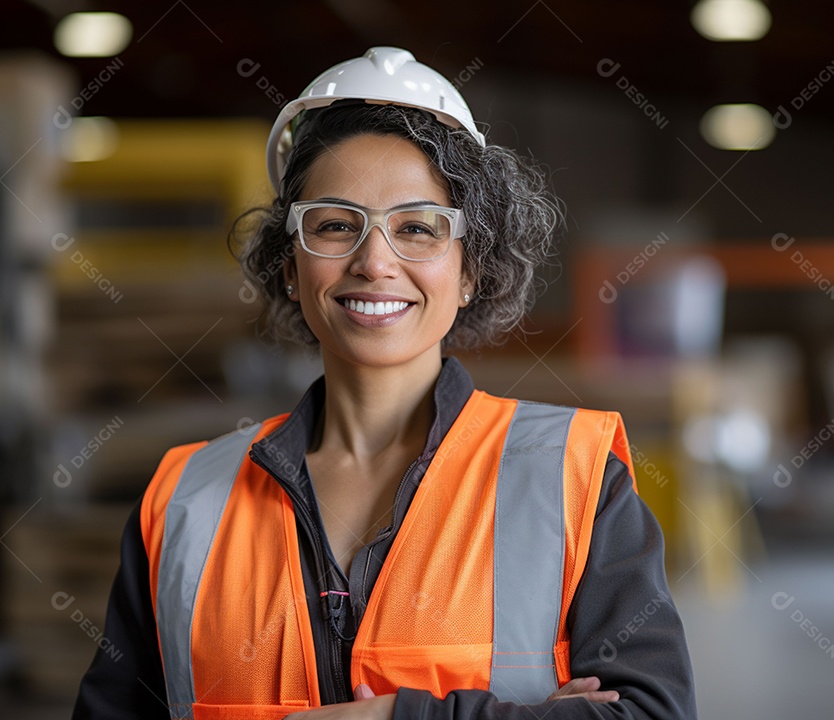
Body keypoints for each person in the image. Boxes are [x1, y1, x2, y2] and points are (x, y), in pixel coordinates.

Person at [72, 47, 696, 720]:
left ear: (469, 272)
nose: (374, 262)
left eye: (418, 228)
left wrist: (395, 717)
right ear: (290, 266)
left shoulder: (573, 478)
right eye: (335, 225)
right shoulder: (183, 502)